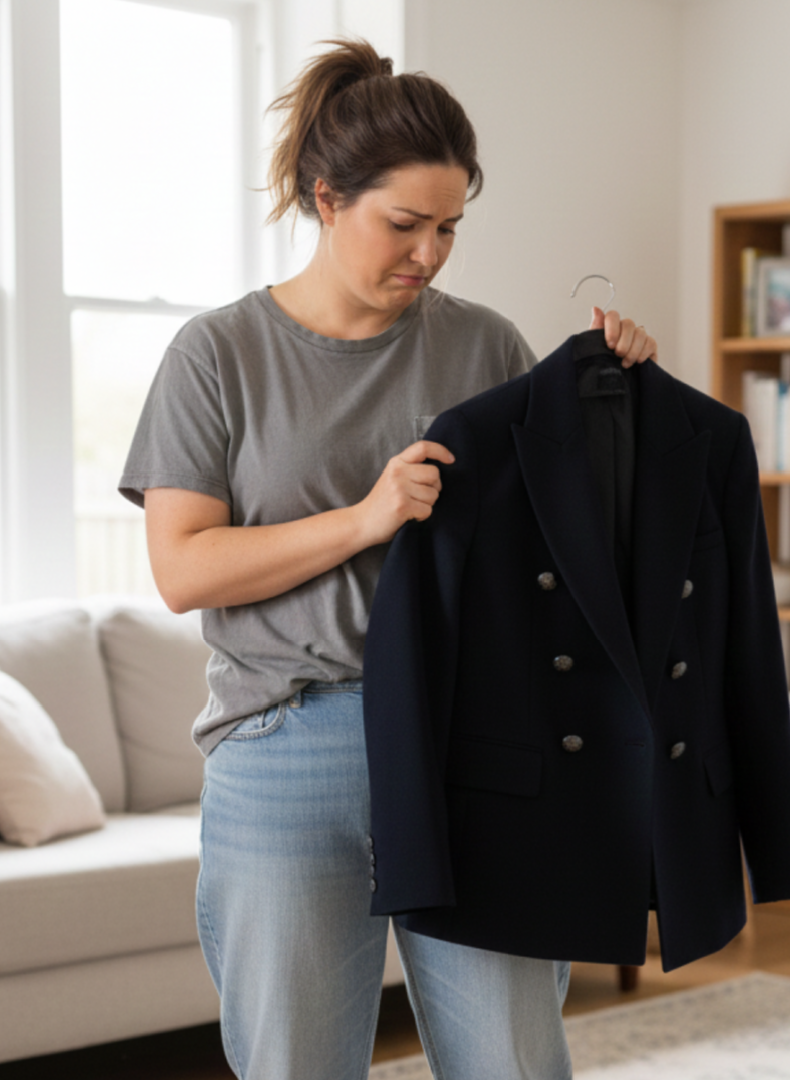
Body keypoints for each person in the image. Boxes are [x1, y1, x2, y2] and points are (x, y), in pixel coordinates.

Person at [120, 38, 656, 1080]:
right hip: (287, 743)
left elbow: (559, 553)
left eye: (450, 227)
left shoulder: (487, 346)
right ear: (327, 200)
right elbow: (183, 567)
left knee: (514, 1058)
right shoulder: (217, 355)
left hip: (476, 744)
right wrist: (363, 520)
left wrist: (613, 414)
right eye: (403, 224)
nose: (430, 252)